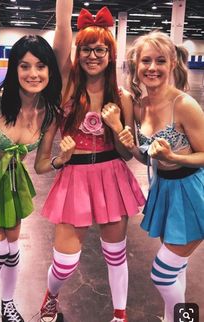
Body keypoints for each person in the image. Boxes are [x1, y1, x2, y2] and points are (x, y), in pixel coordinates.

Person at [34, 1, 145, 322]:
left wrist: (118, 128)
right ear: (77, 54)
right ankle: (50, 298)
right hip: (75, 178)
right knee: (65, 262)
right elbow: (61, 39)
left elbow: (128, 153)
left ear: (111, 55)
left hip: (113, 176)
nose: (93, 56)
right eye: (86, 49)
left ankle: (120, 314)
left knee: (116, 255)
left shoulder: (122, 97)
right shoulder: (67, 87)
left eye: (100, 50)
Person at [103, 30, 204, 322]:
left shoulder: (183, 105)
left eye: (160, 61)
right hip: (164, 191)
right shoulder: (140, 107)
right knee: (178, 268)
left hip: (193, 192)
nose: (152, 67)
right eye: (146, 61)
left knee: (162, 274)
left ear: (172, 63)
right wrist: (117, 129)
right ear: (136, 66)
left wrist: (174, 157)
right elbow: (141, 156)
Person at [0, 35, 62, 322]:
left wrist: (62, 160)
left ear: (50, 71)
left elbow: (43, 164)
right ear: (14, 69)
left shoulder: (49, 114)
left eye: (40, 66)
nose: (33, 73)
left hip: (12, 181)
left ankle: (7, 304)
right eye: (24, 66)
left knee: (12, 250)